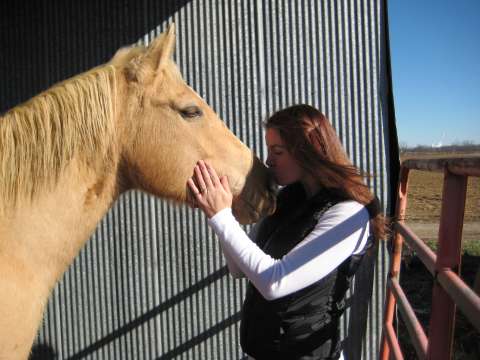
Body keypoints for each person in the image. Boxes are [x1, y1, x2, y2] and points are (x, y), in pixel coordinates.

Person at [187, 104, 385, 359]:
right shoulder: (287, 201)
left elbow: (275, 283)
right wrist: (222, 212)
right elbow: (238, 269)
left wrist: (221, 217)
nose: (268, 161)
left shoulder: (348, 215)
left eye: (277, 151)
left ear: (307, 151)